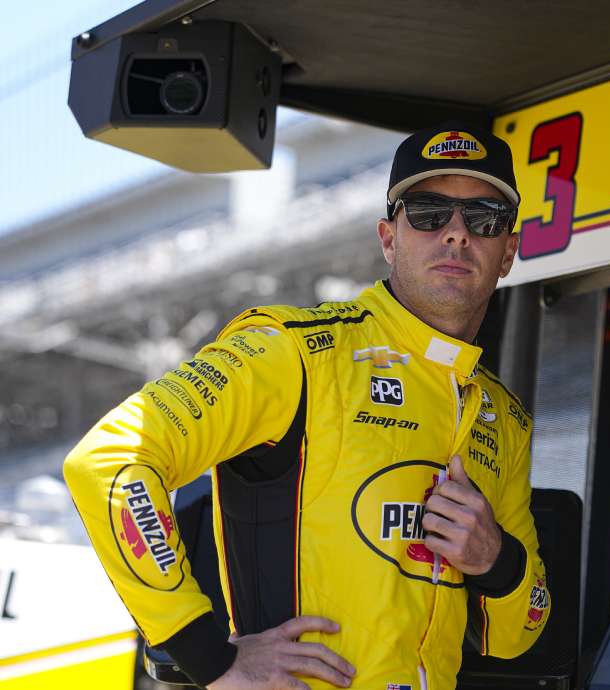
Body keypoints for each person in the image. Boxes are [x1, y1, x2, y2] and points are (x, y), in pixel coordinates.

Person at [63, 121, 550, 690]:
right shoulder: (293, 351)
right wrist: (207, 656)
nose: (457, 234)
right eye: (427, 213)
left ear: (509, 250)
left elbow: (518, 634)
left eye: (484, 220)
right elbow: (108, 459)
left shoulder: (504, 418)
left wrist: (497, 559)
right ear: (389, 238)